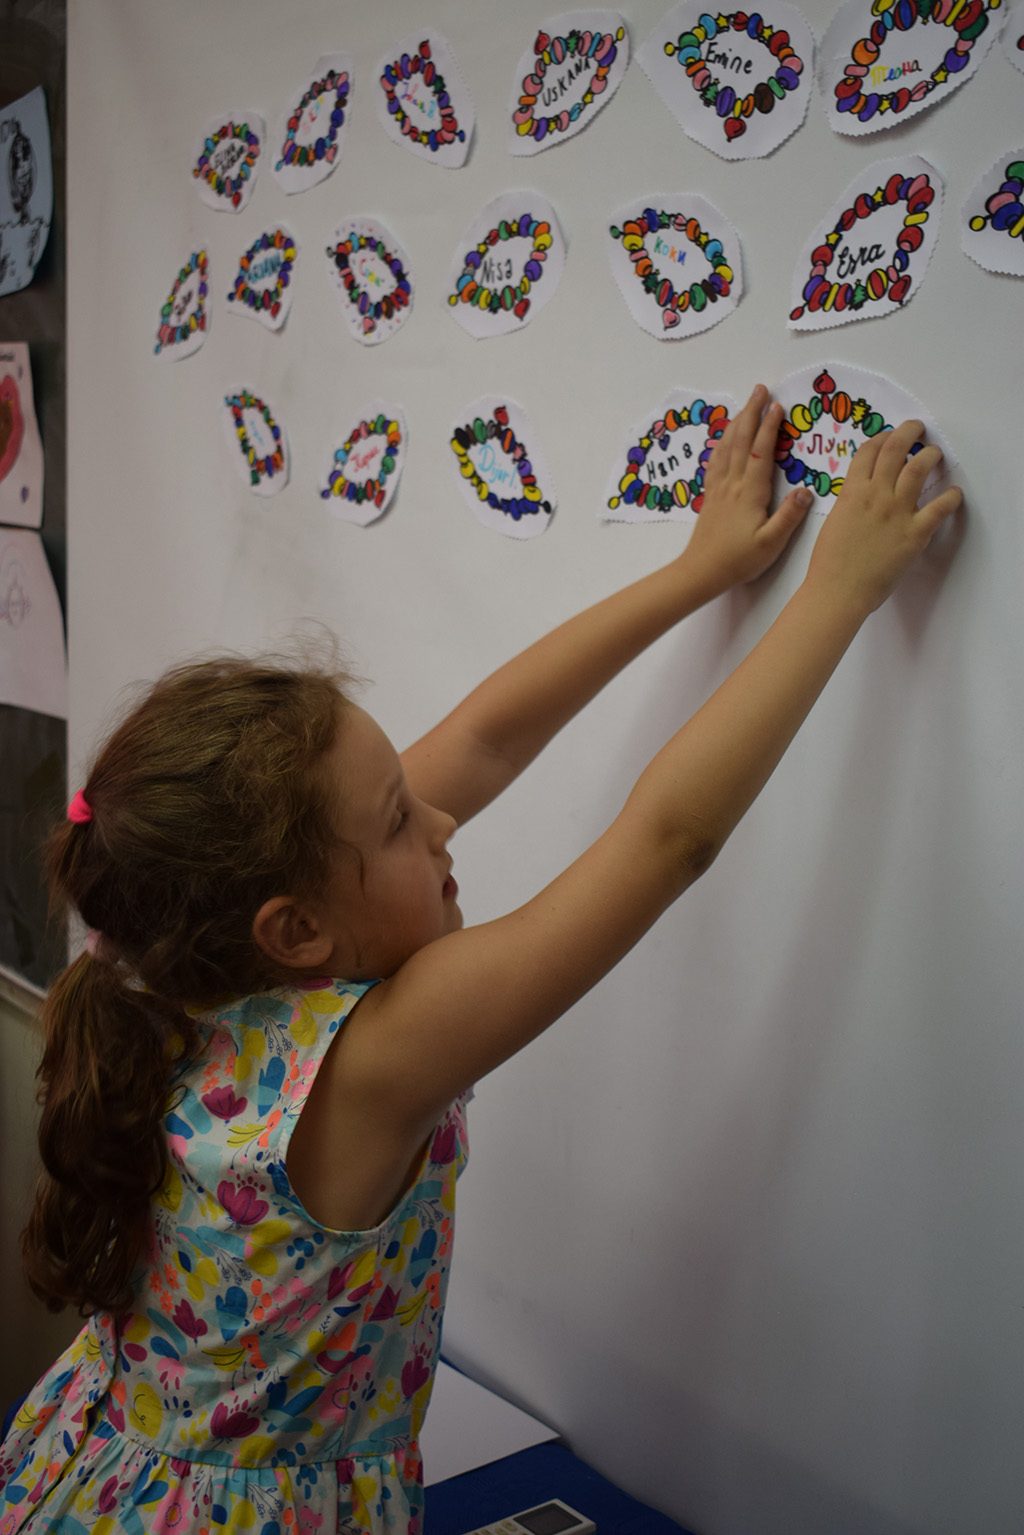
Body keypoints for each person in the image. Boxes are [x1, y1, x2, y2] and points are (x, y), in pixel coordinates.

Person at [0, 389, 960, 1533]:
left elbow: (486, 736)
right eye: (400, 820)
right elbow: (667, 841)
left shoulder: (173, 960)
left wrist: (696, 572)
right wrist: (836, 591)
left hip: (98, 1458)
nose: (441, 819)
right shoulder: (374, 1054)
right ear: (294, 929)